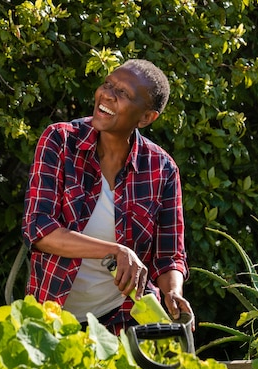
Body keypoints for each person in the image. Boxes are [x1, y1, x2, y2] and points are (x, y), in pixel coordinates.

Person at [21, 59, 193, 335]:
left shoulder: (162, 169)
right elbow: (40, 230)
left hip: (123, 320)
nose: (107, 95)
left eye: (123, 93)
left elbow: (169, 255)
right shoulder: (61, 141)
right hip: (52, 316)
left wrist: (173, 291)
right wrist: (115, 251)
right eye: (108, 85)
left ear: (146, 117)